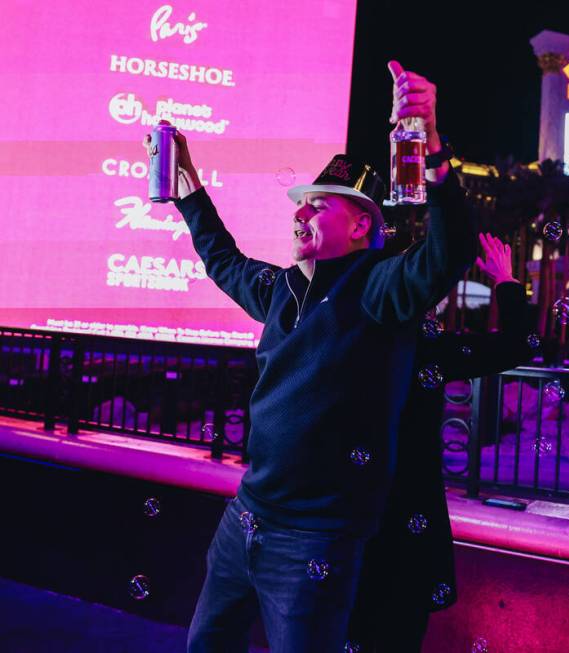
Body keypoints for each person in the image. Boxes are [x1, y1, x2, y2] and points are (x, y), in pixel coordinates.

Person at [149, 60, 478, 653]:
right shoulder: (280, 289)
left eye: (320, 206)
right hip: (244, 517)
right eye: (301, 204)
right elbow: (223, 260)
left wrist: (431, 143)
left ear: (360, 227)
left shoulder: (380, 290)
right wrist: (188, 184)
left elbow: (448, 252)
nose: (300, 212)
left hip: (314, 540)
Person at [346, 233, 534, 652]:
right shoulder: (425, 348)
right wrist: (504, 279)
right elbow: (518, 343)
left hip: (346, 516)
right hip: (404, 520)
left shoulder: (347, 332)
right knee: (396, 631)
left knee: (349, 628)